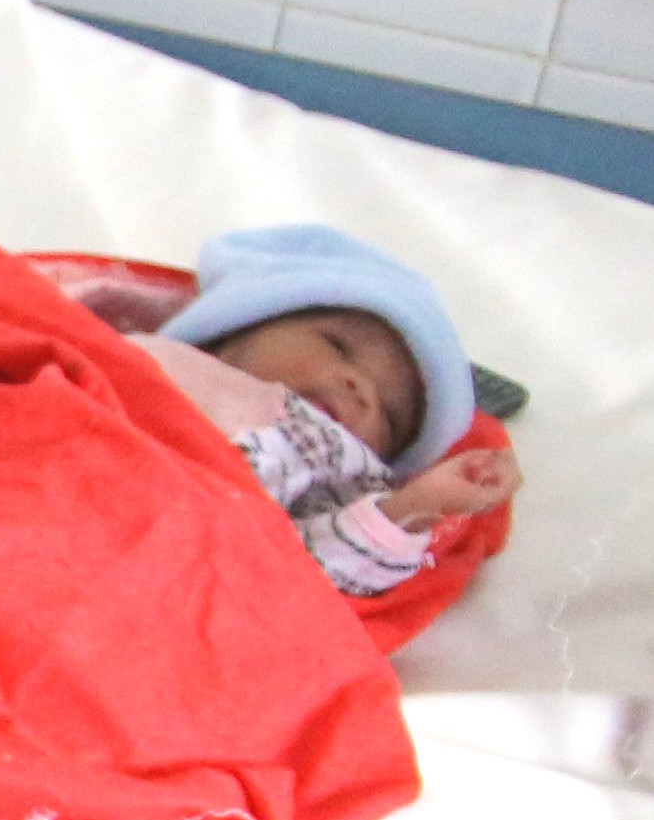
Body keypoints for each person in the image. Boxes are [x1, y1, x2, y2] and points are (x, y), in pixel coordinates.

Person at [123, 223, 522, 598]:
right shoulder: (138, 354)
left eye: (390, 416)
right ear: (242, 323)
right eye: (338, 347)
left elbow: (302, 571)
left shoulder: (324, 467)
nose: (361, 388)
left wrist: (416, 505)